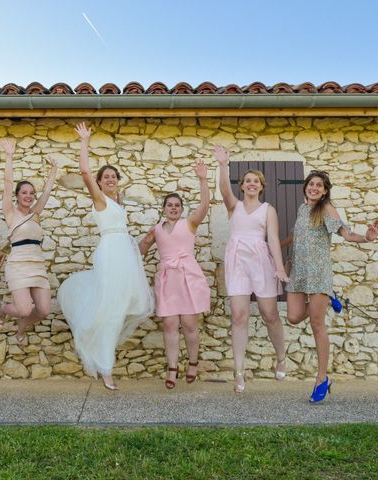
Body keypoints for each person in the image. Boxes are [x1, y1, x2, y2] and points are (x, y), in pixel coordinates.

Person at [57, 122, 154, 390]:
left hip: (124, 251)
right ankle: (106, 367)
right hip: (111, 252)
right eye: (106, 177)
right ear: (99, 183)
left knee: (122, 307)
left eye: (114, 176)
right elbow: (85, 171)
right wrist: (85, 141)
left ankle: (103, 357)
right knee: (110, 310)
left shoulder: (118, 202)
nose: (110, 179)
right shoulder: (100, 200)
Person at [284, 170, 378, 403]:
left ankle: (321, 378)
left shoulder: (326, 209)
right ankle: (330, 297)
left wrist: (367, 237)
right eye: (311, 184)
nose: (314, 188)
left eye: (319, 185)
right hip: (299, 272)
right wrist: (274, 247)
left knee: (317, 325)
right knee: (294, 317)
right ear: (305, 187)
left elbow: (345, 233)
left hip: (319, 274)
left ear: (325, 191)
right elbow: (296, 237)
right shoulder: (302, 209)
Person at [215, 145, 289, 394]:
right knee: (238, 316)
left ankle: (281, 356)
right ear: (242, 186)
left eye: (256, 181)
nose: (251, 184)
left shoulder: (268, 210)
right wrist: (223, 166)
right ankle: (238, 372)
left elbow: (273, 240)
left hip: (261, 261)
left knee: (270, 314)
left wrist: (279, 268)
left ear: (261, 186)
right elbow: (224, 189)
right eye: (247, 181)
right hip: (237, 262)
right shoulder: (233, 206)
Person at [139, 159, 210, 389]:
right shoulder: (157, 228)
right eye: (169, 205)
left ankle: (192, 363)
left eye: (176, 205)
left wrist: (202, 179)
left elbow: (205, 206)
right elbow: (140, 251)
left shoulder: (189, 223)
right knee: (169, 324)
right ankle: (172, 367)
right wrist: (147, 239)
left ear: (180, 209)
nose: (173, 208)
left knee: (189, 324)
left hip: (187, 277)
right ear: (163, 208)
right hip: (168, 280)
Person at [0, 139, 58, 343]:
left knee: (44, 311)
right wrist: (9, 157)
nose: (28, 196)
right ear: (17, 196)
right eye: (24, 193)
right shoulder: (10, 213)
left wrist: (54, 169)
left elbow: (47, 191)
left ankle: (22, 326)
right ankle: (3, 308)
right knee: (23, 309)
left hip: (37, 265)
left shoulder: (36, 214)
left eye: (31, 193)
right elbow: (7, 184)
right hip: (18, 265)